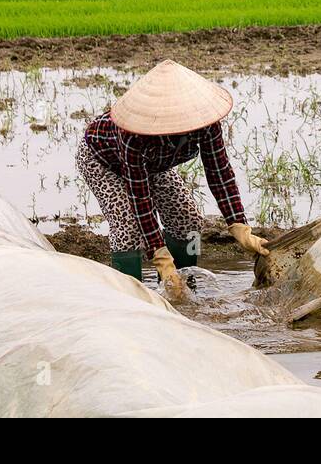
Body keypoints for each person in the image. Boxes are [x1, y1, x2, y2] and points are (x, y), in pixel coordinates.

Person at [75, 59, 270, 300]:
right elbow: (141, 199)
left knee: (189, 220)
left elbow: (219, 173)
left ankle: (184, 288)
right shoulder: (134, 134)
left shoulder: (206, 124)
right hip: (103, 161)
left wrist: (239, 226)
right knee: (128, 227)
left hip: (155, 165)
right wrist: (161, 256)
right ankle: (129, 298)